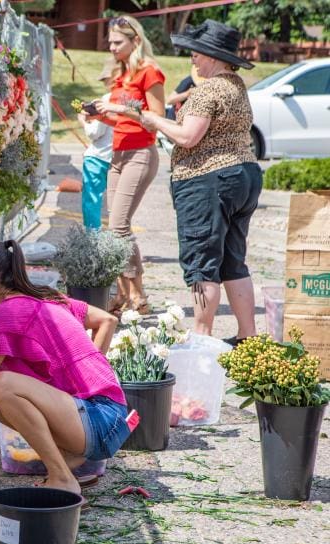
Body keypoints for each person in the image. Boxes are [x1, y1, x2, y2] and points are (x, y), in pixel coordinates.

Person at [0, 240, 128, 496]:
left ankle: (62, 477)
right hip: (104, 416)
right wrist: (84, 377)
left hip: (99, 419)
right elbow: (107, 320)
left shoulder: (8, 313)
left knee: (0, 385)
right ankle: (66, 457)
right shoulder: (43, 297)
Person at [139, 20, 260, 345]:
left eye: (198, 52)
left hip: (208, 180)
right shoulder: (236, 86)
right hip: (245, 174)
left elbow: (188, 137)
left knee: (202, 261)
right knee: (233, 260)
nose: (193, 57)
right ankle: (248, 338)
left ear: (214, 56)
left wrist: (153, 120)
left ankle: (202, 338)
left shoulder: (208, 90)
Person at [88, 16, 166, 316]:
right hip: (118, 154)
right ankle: (122, 294)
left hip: (141, 153)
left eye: (117, 42)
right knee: (114, 228)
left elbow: (155, 117)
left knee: (119, 226)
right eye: (109, 42)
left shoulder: (150, 72)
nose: (111, 48)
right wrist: (99, 116)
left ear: (135, 41)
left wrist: (119, 107)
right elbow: (121, 120)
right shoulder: (122, 74)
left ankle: (139, 294)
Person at [77, 58, 117, 230]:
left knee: (92, 199)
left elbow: (95, 133)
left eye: (106, 80)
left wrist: (82, 121)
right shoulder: (129, 97)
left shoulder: (107, 98)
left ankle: (92, 237)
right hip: (117, 158)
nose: (105, 84)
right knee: (116, 201)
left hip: (98, 157)